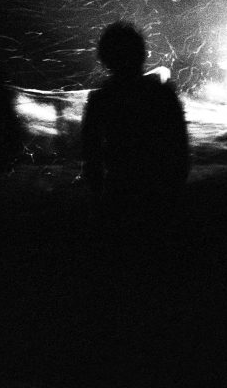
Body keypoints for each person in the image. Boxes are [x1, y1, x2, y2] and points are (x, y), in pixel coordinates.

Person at [81, 22, 190, 232]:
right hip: (159, 192)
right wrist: (175, 190)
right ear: (142, 54)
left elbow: (91, 154)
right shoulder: (163, 95)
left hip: (119, 192)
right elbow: (180, 148)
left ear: (105, 59)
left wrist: (96, 199)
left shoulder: (101, 99)